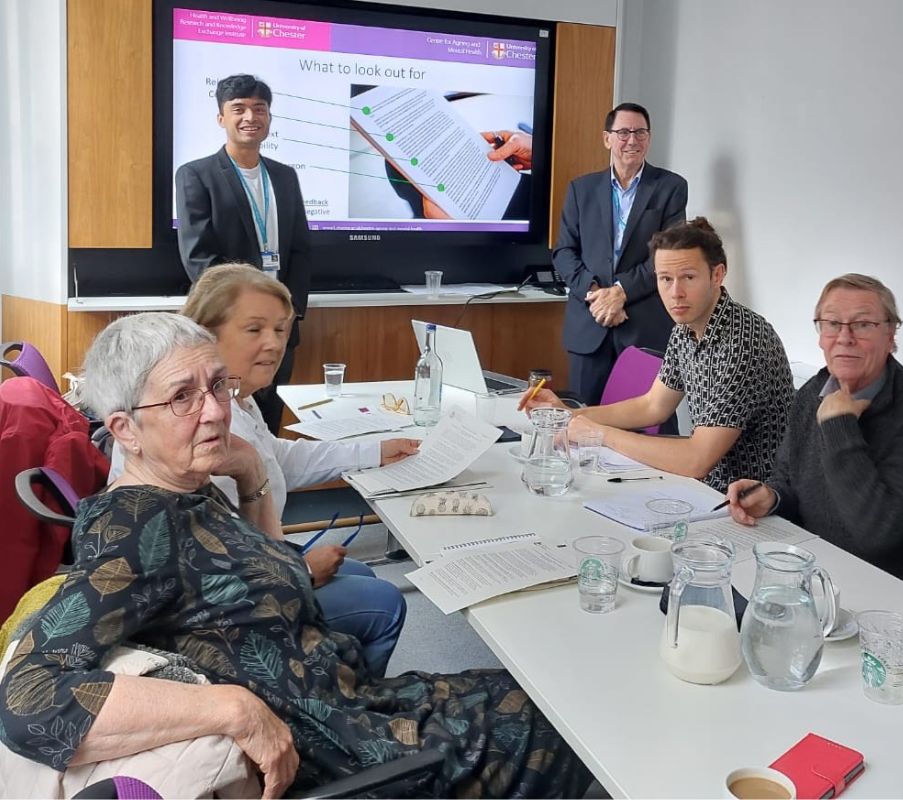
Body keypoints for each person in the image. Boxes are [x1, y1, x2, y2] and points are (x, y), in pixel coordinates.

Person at [0, 313, 592, 798]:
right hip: (343, 751)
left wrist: (254, 473)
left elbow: (275, 573)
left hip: (353, 703)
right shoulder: (137, 530)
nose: (214, 410)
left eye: (216, 385)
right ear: (126, 430)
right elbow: (27, 696)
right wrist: (230, 709)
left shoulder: (184, 489)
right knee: (568, 724)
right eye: (183, 397)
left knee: (547, 689)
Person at [107, 264, 416, 678]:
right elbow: (206, 573)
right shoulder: (201, 422)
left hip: (248, 567)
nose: (274, 344)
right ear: (206, 334)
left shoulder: (234, 397)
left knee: (361, 571)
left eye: (281, 329)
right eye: (254, 330)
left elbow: (278, 459)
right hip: (213, 613)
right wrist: (302, 570)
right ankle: (347, 702)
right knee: (385, 602)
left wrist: (374, 451)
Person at [725, 274, 903, 590]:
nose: (844, 337)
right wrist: (771, 497)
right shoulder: (812, 393)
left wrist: (840, 427)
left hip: (900, 592)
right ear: (820, 334)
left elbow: (878, 535)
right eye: (832, 324)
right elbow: (789, 478)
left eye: (863, 324)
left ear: (891, 334)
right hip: (816, 570)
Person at [523, 217, 793, 491]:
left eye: (688, 277)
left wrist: (597, 433)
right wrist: (570, 415)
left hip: (753, 502)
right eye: (665, 279)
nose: (676, 293)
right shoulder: (684, 328)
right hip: (708, 490)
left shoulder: (743, 342)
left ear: (717, 275)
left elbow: (696, 460)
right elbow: (653, 406)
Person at [176, 74, 312, 434]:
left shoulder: (284, 177)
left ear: (268, 116)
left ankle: (271, 490)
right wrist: (245, 313)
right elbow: (199, 259)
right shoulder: (196, 175)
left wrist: (289, 311)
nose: (250, 116)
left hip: (280, 326)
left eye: (259, 108)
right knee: (226, 421)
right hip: (231, 328)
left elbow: (300, 248)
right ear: (221, 118)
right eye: (238, 109)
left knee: (270, 423)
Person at [553, 102, 688, 405]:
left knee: (644, 429)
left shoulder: (670, 187)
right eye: (624, 132)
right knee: (582, 423)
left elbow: (668, 255)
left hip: (642, 328)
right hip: (590, 324)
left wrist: (621, 291)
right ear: (607, 139)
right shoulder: (581, 190)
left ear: (649, 139)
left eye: (640, 132)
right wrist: (596, 294)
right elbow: (564, 252)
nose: (632, 140)